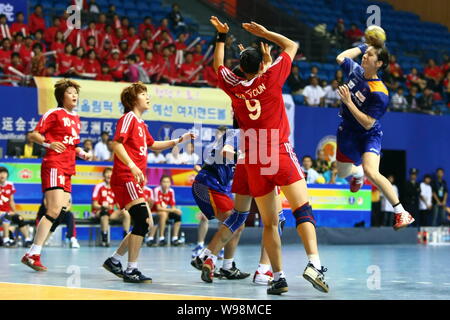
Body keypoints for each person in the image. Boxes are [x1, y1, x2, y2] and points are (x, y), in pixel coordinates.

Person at [207, 17, 329, 294]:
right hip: (278, 151)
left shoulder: (234, 86)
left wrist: (221, 37)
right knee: (302, 210)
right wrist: (265, 34)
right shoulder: (272, 77)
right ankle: (314, 264)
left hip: (252, 158)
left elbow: (219, 67)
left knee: (269, 223)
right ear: (263, 65)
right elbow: (292, 44)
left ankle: (278, 277)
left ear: (241, 69)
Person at [102, 82, 195, 283]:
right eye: (143, 94)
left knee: (145, 223)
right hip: (126, 176)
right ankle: (131, 269)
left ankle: (115, 260)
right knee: (144, 221)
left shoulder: (142, 125)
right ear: (133, 100)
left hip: (133, 179)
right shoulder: (128, 118)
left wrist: (178, 141)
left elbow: (153, 146)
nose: (147, 96)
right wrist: (132, 165)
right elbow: (116, 143)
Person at [334, 37, 414, 231]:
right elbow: (340, 57)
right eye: (366, 54)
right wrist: (363, 46)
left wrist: (349, 102)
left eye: (370, 55)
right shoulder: (355, 71)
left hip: (369, 134)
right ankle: (357, 173)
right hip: (348, 133)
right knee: (343, 172)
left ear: (379, 64)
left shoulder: (380, 92)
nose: (365, 57)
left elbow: (369, 123)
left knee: (372, 171)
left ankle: (401, 212)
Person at [21, 79, 92, 271]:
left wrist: (81, 152)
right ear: (62, 96)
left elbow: (72, 144)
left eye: (75, 92)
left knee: (62, 210)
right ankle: (33, 253)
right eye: (70, 92)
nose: (74, 95)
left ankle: (33, 252)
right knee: (52, 210)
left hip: (69, 167)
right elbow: (34, 135)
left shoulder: (76, 118)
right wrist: (48, 144)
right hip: (54, 164)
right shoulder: (54, 113)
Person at [92, 167, 131, 247]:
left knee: (126, 213)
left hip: (111, 213)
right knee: (104, 213)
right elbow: (94, 205)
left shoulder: (115, 188)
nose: (109, 175)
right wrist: (103, 206)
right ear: (103, 176)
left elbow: (118, 205)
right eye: (107, 173)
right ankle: (104, 239)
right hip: (99, 211)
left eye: (111, 174)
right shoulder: (99, 186)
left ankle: (125, 238)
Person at [0, 167, 32, 247]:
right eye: (0, 173)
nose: (2, 175)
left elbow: (11, 201)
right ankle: (6, 240)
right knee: (6, 216)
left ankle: (28, 240)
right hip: (2, 213)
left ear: (7, 175)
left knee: (19, 218)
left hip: (7, 212)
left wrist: (14, 212)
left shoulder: (10, 185)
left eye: (4, 173)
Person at [150, 175, 182, 246]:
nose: (166, 184)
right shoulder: (157, 190)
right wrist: (172, 210)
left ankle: (175, 238)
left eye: (168, 182)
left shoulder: (171, 191)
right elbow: (158, 208)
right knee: (163, 214)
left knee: (178, 215)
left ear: (170, 183)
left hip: (166, 211)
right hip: (156, 212)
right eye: (164, 182)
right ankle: (161, 238)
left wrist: (175, 210)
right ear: (160, 183)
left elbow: (173, 207)